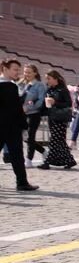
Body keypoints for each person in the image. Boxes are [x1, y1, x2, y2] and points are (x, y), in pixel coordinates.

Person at [0, 58, 38, 191]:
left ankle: (22, 182)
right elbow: (16, 109)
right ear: (5, 69)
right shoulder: (10, 86)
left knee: (16, 155)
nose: (18, 72)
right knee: (17, 156)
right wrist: (24, 126)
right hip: (11, 127)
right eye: (15, 69)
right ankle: (22, 183)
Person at [38, 70, 75, 170]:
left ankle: (47, 162)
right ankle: (70, 161)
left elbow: (68, 104)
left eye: (49, 78)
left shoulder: (62, 90)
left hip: (61, 118)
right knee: (60, 141)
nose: (47, 81)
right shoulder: (49, 90)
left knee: (53, 140)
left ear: (55, 79)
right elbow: (45, 105)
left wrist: (55, 102)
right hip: (52, 117)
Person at [20, 64, 46, 167]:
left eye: (29, 72)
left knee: (30, 136)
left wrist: (28, 107)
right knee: (25, 138)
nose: (26, 74)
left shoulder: (39, 85)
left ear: (35, 73)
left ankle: (29, 160)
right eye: (25, 72)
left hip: (34, 114)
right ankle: (43, 151)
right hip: (22, 114)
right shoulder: (23, 84)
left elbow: (40, 101)